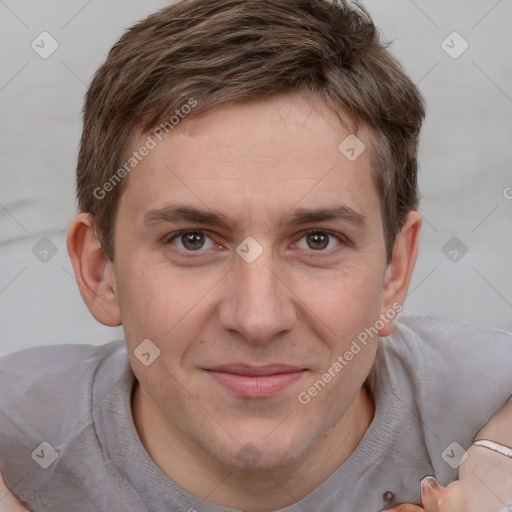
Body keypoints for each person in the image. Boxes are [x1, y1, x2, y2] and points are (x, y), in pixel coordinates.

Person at [1, 1, 511, 511]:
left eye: (317, 240)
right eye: (193, 240)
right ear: (100, 271)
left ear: (393, 272)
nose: (258, 318)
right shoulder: (20, 435)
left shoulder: (479, 408)